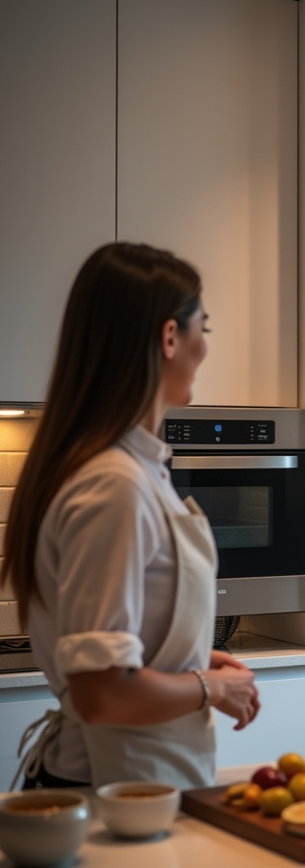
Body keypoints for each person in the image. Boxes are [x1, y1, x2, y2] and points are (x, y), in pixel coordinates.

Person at [1, 242, 261, 790]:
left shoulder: (129, 469)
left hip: (134, 789)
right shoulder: (113, 484)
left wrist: (193, 655)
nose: (205, 349)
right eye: (203, 329)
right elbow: (102, 692)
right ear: (170, 337)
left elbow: (122, 641)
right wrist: (211, 687)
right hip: (109, 793)